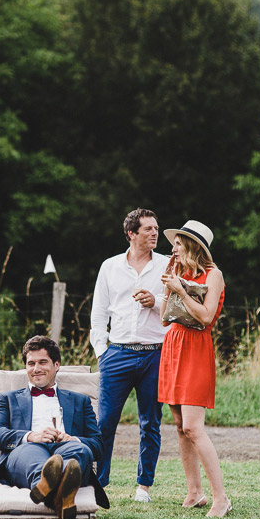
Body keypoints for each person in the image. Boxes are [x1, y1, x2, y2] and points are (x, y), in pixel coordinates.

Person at [90, 208, 170, 502]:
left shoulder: (167, 265)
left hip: (155, 355)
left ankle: (143, 487)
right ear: (131, 234)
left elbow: (177, 306)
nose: (154, 233)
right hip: (118, 354)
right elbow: (98, 315)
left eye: (156, 229)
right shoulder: (109, 267)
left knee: (150, 422)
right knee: (104, 422)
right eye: (148, 229)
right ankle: (99, 483)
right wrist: (102, 353)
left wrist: (155, 302)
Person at [0, 335, 109, 519]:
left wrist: (72, 439)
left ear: (57, 365)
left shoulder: (80, 401)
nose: (36, 369)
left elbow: (98, 445)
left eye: (43, 362)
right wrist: (30, 436)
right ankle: (56, 488)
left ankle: (55, 486)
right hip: (26, 450)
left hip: (67, 448)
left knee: (80, 450)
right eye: (31, 363)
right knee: (30, 453)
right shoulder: (8, 399)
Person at [158, 220, 232, 517]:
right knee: (179, 426)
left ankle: (221, 498)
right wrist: (168, 286)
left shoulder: (213, 276)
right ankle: (194, 492)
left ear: (191, 245)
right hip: (174, 344)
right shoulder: (180, 273)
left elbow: (205, 316)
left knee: (193, 426)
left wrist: (182, 291)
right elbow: (164, 318)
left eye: (177, 243)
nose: (173, 248)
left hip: (196, 347)